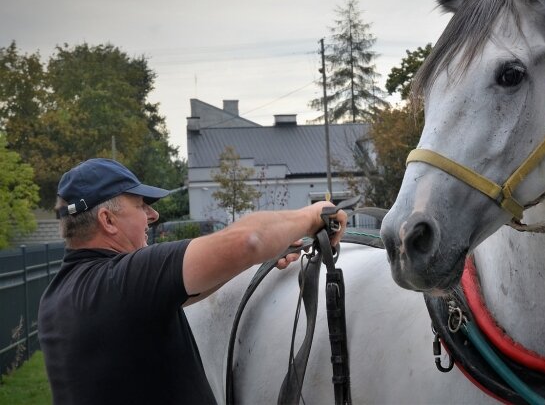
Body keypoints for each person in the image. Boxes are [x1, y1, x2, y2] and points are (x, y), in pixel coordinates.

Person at [38, 158, 347, 405]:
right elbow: (249, 240)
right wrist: (315, 214)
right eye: (140, 205)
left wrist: (259, 257)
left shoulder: (60, 296)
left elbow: (186, 290)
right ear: (107, 220)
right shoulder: (124, 280)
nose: (153, 214)